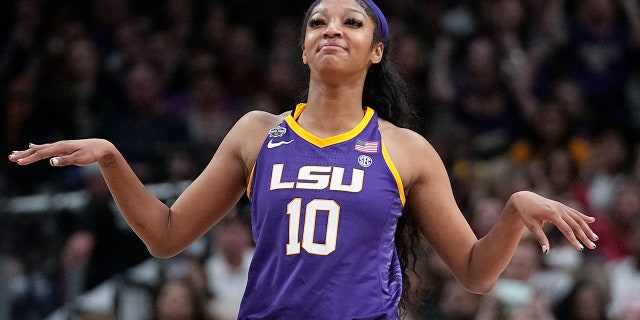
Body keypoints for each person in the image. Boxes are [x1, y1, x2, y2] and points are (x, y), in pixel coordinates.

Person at [8, 0, 599, 318]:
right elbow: (165, 236)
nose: (331, 30)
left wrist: (517, 208)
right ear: (302, 47)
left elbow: (474, 274)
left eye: (351, 21)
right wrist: (113, 159)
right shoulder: (256, 134)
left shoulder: (404, 148)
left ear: (376, 51)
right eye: (317, 21)